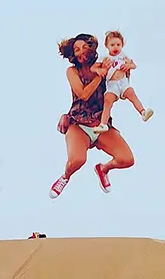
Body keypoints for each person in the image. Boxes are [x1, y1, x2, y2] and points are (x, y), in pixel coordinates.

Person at [49, 33, 137, 198]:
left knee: (127, 159)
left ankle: (102, 169)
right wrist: (99, 75)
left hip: (100, 124)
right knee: (77, 160)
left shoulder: (104, 63)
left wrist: (126, 67)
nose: (81, 51)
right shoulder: (73, 71)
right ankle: (65, 177)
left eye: (84, 47)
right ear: (73, 54)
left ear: (92, 49)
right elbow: (83, 94)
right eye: (77, 49)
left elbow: (120, 85)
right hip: (78, 124)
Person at [95, 29, 152, 132]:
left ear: (122, 45)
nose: (115, 47)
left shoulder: (123, 56)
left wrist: (128, 66)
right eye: (112, 45)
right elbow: (93, 67)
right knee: (107, 101)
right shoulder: (105, 58)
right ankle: (103, 124)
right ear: (106, 46)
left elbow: (133, 65)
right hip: (112, 84)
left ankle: (143, 112)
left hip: (123, 82)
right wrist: (99, 70)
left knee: (131, 94)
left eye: (118, 44)